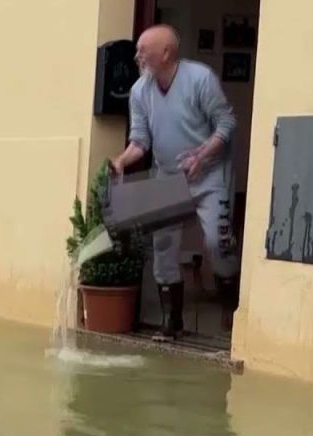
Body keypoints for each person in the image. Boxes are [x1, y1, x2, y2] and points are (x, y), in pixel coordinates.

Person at [109, 24, 240, 341]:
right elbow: (140, 139)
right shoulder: (140, 91)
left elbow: (227, 122)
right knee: (164, 249)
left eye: (143, 49)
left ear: (166, 53)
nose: (137, 55)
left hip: (210, 174)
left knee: (217, 243)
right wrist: (122, 161)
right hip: (167, 175)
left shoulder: (200, 79)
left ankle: (230, 305)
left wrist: (203, 156)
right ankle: (172, 323)